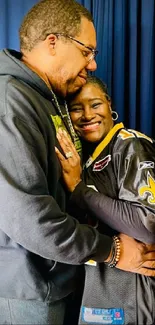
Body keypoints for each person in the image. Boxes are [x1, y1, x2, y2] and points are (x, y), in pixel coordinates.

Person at [0, 1, 155, 324]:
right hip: (32, 286)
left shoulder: (45, 98)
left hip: (66, 278)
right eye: (87, 51)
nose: (93, 63)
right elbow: (31, 219)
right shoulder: (11, 103)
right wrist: (112, 250)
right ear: (53, 42)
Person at [56, 75, 155, 324]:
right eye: (77, 108)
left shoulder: (130, 145)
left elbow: (148, 224)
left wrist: (80, 191)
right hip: (98, 289)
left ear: (109, 104)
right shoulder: (83, 158)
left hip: (129, 294)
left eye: (96, 104)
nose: (88, 114)